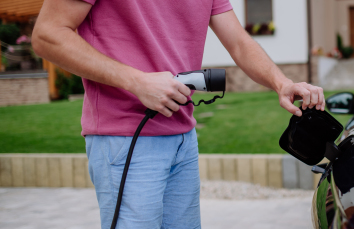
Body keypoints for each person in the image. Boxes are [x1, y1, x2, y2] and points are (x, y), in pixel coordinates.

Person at [32, 0, 325, 228]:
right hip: (126, 138)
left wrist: (282, 82)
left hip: (183, 138)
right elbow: (47, 35)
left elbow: (238, 41)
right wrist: (136, 81)